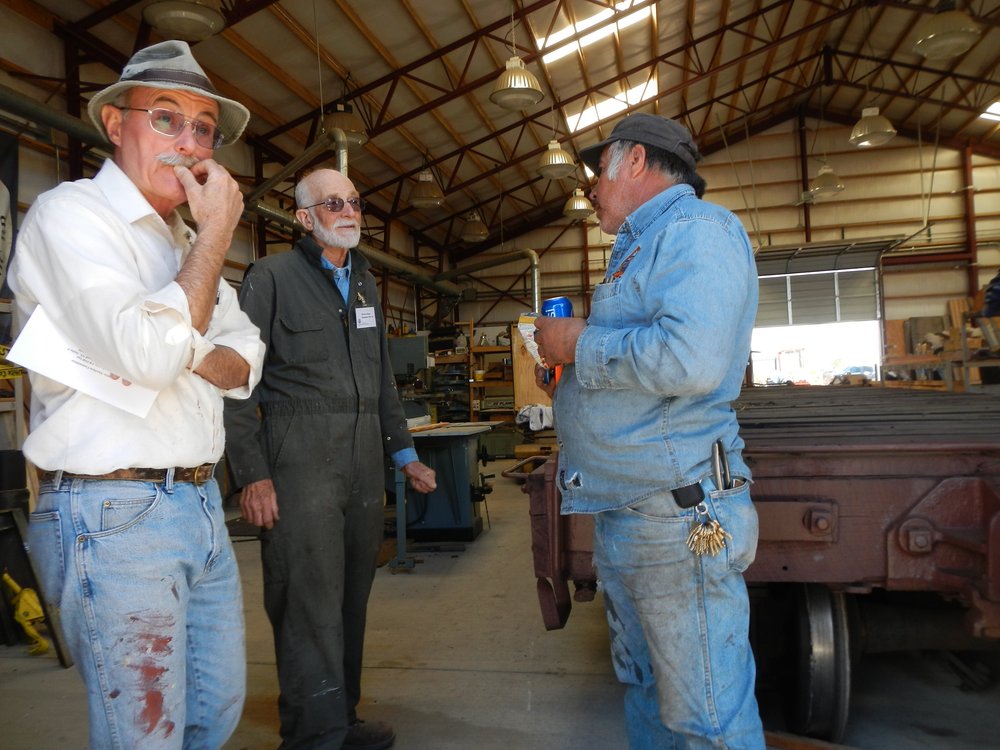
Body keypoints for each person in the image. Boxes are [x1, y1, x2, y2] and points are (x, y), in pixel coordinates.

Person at [8, 40, 264, 749]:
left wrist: (176, 340)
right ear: (116, 125)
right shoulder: (72, 218)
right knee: (144, 736)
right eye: (165, 118)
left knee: (214, 715)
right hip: (112, 511)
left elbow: (247, 364)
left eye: (203, 129)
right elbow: (152, 355)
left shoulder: (181, 242)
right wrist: (213, 241)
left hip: (200, 504)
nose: (188, 143)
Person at [532, 113, 765, 749]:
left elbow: (693, 359)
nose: (590, 189)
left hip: (675, 519)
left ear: (633, 161)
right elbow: (645, 363)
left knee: (705, 716)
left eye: (595, 172)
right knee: (649, 691)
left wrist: (579, 342)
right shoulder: (644, 245)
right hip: (636, 513)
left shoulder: (696, 231)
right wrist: (571, 381)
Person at [223, 167, 437, 750]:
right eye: (333, 202)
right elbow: (238, 385)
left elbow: (382, 382)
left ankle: (340, 720)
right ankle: (311, 736)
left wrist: (405, 453)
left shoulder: (365, 283)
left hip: (364, 462)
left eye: (356, 202)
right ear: (304, 216)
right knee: (306, 599)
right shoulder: (270, 278)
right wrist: (253, 475)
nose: (349, 212)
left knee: (350, 597)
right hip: (300, 461)